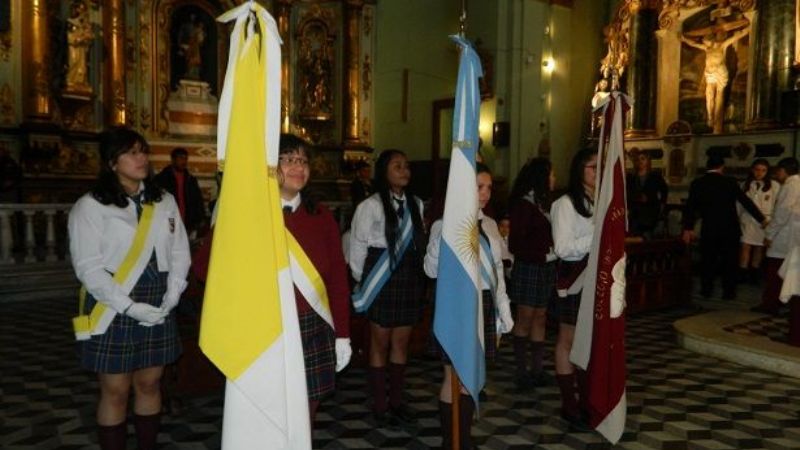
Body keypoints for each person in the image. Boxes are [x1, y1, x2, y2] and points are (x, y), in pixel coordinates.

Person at [68, 127, 190, 450]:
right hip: (112, 305)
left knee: (150, 385)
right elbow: (88, 268)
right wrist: (129, 306)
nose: (142, 159)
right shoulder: (90, 206)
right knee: (116, 391)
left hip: (158, 300)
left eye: (143, 151)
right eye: (132, 153)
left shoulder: (162, 200)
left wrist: (173, 294)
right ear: (111, 161)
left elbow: (179, 250)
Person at [423, 163, 514, 448]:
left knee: (471, 377)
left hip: (483, 303)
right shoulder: (443, 223)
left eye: (489, 187)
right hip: (456, 305)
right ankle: (453, 442)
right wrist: (446, 231)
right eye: (479, 187)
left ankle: (463, 438)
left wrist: (504, 310)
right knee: (454, 376)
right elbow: (430, 270)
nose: (485, 193)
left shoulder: (488, 224)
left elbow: (497, 270)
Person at [277, 134, 352, 428]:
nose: (299, 167)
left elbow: (337, 277)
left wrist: (343, 334)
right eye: (289, 159)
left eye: (304, 161)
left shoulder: (321, 216)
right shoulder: (248, 213)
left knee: (306, 411)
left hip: (312, 323)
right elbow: (207, 267)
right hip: (267, 327)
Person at [348, 149, 426, 427]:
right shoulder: (369, 206)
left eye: (406, 166)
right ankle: (380, 403)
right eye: (397, 166)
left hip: (407, 278)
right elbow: (357, 246)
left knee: (401, 343)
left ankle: (397, 401)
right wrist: (363, 280)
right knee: (379, 343)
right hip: (379, 276)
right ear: (384, 172)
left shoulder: (417, 204)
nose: (404, 171)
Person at [551, 148, 597, 428]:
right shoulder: (566, 204)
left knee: (591, 343)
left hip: (597, 281)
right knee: (568, 342)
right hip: (574, 281)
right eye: (593, 167)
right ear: (579, 169)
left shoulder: (603, 200)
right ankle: (570, 404)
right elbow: (564, 248)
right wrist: (597, 236)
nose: (597, 171)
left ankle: (588, 400)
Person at [682, 155, 766, 299]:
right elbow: (746, 202)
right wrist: (761, 219)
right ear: (722, 167)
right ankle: (729, 292)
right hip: (730, 228)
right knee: (730, 262)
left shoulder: (698, 183)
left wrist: (688, 228)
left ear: (708, 167)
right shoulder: (730, 182)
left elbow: (690, 207)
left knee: (708, 261)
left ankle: (706, 290)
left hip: (709, 228)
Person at [507, 158, 557, 390]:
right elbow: (517, 244)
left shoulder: (544, 204)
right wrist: (543, 255)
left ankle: (537, 370)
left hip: (545, 268)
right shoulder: (524, 206)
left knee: (540, 317)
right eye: (551, 174)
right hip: (529, 267)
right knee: (525, 319)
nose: (554, 179)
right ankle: (520, 371)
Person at [680, 25, 749, 133]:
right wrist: (684, 39)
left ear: (710, 39)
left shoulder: (721, 45)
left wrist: (746, 30)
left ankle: (718, 122)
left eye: (705, 39)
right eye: (703, 40)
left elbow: (735, 38)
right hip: (709, 73)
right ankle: (710, 117)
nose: (703, 41)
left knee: (719, 96)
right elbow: (694, 44)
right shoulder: (707, 48)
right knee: (709, 95)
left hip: (720, 72)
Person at [754, 157, 800, 315]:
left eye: (778, 171)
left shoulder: (790, 185)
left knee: (775, 271)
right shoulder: (795, 183)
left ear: (784, 170)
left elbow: (782, 213)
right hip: (791, 234)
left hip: (784, 235)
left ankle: (771, 303)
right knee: (786, 271)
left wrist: (769, 234)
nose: (777, 174)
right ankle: (781, 302)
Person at [738, 159, 778, 284]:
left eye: (763, 170)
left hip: (764, 221)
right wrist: (737, 218)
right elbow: (739, 204)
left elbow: (777, 204)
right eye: (757, 170)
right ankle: (742, 273)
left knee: (759, 248)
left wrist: (773, 221)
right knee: (745, 246)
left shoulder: (774, 185)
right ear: (752, 170)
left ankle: (754, 274)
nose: (759, 173)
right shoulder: (744, 184)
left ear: (767, 171)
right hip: (747, 219)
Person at [154, 148, 206, 235]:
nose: (184, 161)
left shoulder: (191, 179)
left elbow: (198, 200)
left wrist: (200, 218)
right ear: (173, 159)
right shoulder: (161, 179)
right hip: (169, 220)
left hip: (187, 221)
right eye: (180, 158)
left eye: (185, 158)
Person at [626, 151, 668, 238]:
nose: (640, 161)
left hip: (650, 212)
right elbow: (627, 192)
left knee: (647, 237)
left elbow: (664, 191)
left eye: (643, 159)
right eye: (638, 159)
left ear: (648, 161)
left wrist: (661, 204)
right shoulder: (631, 177)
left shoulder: (655, 176)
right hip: (635, 213)